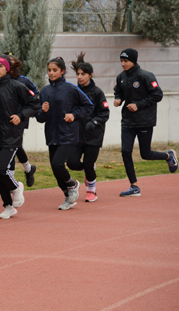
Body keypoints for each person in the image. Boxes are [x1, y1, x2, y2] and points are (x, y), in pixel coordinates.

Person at [0, 56, 41, 219]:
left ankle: (16, 188)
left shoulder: (17, 87)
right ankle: (8, 206)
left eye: (1, 66)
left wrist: (21, 116)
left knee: (1, 169)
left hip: (11, 136)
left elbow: (35, 103)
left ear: (7, 68)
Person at [113, 48, 177, 195]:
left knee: (145, 154)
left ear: (134, 60)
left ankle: (169, 156)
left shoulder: (146, 76)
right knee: (125, 151)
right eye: (121, 61)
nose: (123, 64)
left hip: (144, 121)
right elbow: (119, 91)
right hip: (128, 121)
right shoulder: (121, 77)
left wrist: (138, 105)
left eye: (126, 61)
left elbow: (158, 95)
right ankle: (134, 186)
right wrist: (118, 99)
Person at [36, 57, 94, 210]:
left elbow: (88, 106)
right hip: (51, 135)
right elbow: (40, 118)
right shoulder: (45, 91)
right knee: (55, 169)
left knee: (58, 164)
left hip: (68, 134)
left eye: (55, 70)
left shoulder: (71, 89)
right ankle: (68, 196)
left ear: (62, 71)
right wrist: (43, 111)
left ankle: (73, 184)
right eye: (49, 70)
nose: (51, 73)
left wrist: (74, 115)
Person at [69, 53, 109, 202]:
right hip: (77, 135)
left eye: (83, 74)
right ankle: (87, 169)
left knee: (89, 163)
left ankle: (91, 190)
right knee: (72, 163)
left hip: (93, 135)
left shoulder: (98, 93)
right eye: (78, 74)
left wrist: (93, 123)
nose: (80, 77)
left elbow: (105, 113)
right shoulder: (73, 91)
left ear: (90, 75)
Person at [5, 53, 39, 187]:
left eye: (11, 61)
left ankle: (11, 181)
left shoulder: (24, 81)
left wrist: (23, 113)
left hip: (20, 118)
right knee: (15, 146)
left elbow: (35, 96)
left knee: (12, 146)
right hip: (4, 119)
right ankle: (28, 168)